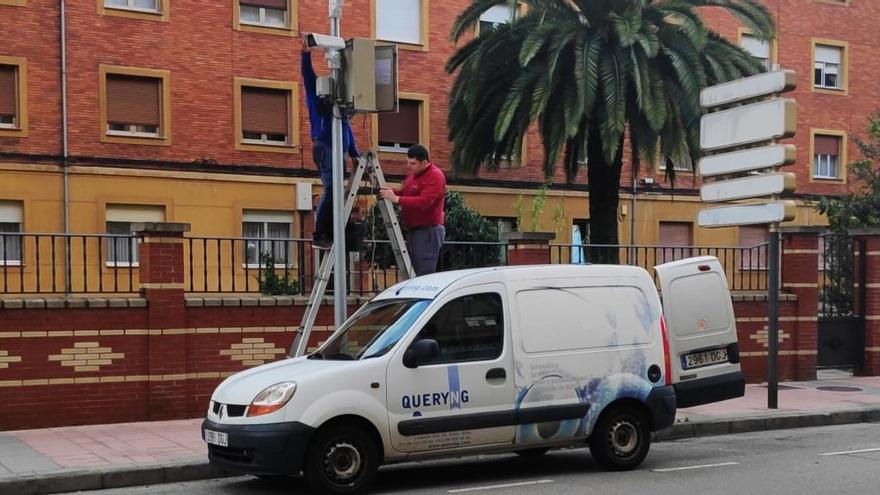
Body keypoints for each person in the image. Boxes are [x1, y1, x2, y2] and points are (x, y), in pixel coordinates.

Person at [302, 41, 360, 249]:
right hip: (325, 147)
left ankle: (333, 230)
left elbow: (346, 128)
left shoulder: (339, 104)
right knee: (331, 189)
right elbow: (308, 77)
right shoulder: (315, 97)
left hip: (339, 150)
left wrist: (354, 153)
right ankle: (319, 234)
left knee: (337, 191)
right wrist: (305, 55)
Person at [379, 144, 447, 276]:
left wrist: (397, 199)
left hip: (427, 231)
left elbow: (424, 201)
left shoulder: (435, 176)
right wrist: (389, 192)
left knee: (423, 274)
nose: (409, 166)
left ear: (425, 162)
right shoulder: (414, 176)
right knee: (415, 272)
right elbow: (405, 192)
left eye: (413, 163)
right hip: (415, 231)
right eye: (408, 162)